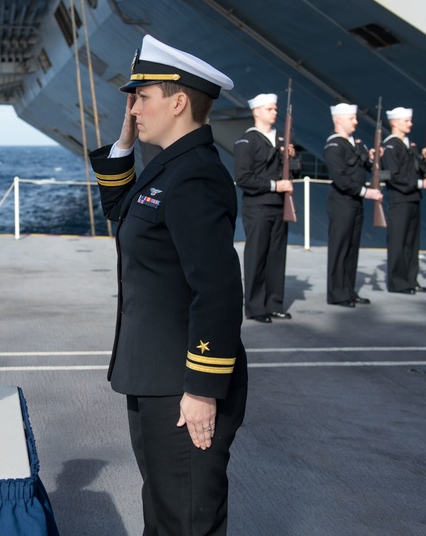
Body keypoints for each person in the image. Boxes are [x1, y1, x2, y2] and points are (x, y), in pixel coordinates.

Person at [89, 35, 247, 535]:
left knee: (186, 518)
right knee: (164, 511)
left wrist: (201, 389)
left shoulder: (195, 177)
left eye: (143, 97)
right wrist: (126, 142)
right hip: (155, 378)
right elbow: (122, 211)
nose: (133, 108)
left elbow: (218, 291)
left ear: (178, 101)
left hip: (183, 384)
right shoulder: (169, 169)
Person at [233, 93, 298, 323]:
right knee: (257, 257)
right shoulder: (247, 141)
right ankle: (255, 307)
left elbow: (294, 172)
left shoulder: (281, 141)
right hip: (258, 206)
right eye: (270, 109)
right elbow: (243, 178)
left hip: (279, 207)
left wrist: (292, 157)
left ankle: (274, 303)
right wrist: (274, 185)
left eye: (275, 109)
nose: (274, 112)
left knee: (276, 257)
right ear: (257, 111)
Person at [323, 104, 383, 307]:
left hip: (354, 203)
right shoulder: (334, 145)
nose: (356, 122)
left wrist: (374, 157)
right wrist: (366, 192)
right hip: (342, 202)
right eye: (352, 118)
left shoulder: (354, 144)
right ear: (339, 120)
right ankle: (337, 293)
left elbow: (366, 165)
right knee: (340, 248)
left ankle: (348, 290)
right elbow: (341, 178)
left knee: (352, 248)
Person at [381, 107, 426, 293]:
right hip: (400, 199)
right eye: (406, 121)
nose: (410, 124)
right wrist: (422, 184)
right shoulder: (391, 146)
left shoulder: (409, 145)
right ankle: (398, 282)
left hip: (413, 198)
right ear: (394, 122)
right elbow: (395, 176)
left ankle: (410, 279)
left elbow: (418, 169)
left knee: (411, 243)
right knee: (398, 242)